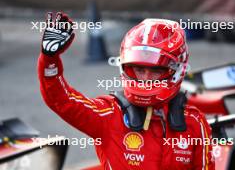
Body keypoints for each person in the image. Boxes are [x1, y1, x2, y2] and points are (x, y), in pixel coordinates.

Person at [38, 12, 215, 170]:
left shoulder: (194, 123)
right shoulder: (109, 114)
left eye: (155, 70)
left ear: (177, 70)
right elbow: (61, 101)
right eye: (139, 69)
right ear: (126, 67)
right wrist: (49, 59)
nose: (145, 78)